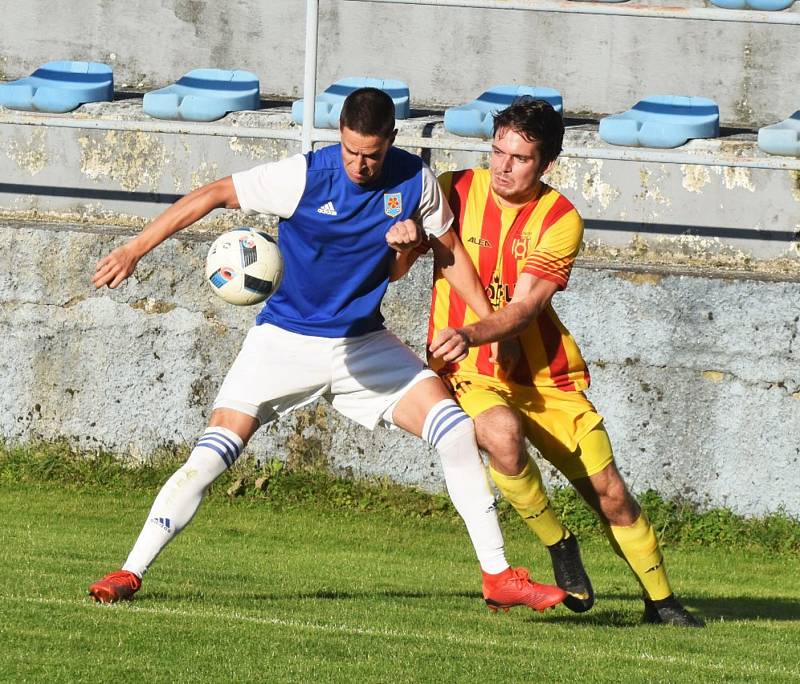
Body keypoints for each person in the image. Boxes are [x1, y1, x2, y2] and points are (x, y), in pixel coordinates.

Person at [87, 88, 567, 614]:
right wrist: (134, 248)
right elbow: (214, 193)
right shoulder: (303, 176)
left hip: (362, 343)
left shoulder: (415, 182)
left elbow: (450, 256)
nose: (361, 165)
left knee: (454, 428)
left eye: (373, 154)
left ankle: (498, 577)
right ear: (339, 135)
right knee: (209, 457)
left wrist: (483, 318)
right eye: (351, 152)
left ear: (391, 141)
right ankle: (130, 571)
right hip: (282, 342)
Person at [396, 98, 702, 627]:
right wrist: (400, 243)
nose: (503, 167)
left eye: (519, 158)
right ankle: (560, 545)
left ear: (547, 164)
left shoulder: (560, 219)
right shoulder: (451, 189)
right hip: (472, 374)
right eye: (497, 151)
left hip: (547, 377)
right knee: (501, 434)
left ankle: (662, 603)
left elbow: (526, 309)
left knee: (611, 496)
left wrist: (470, 330)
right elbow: (402, 261)